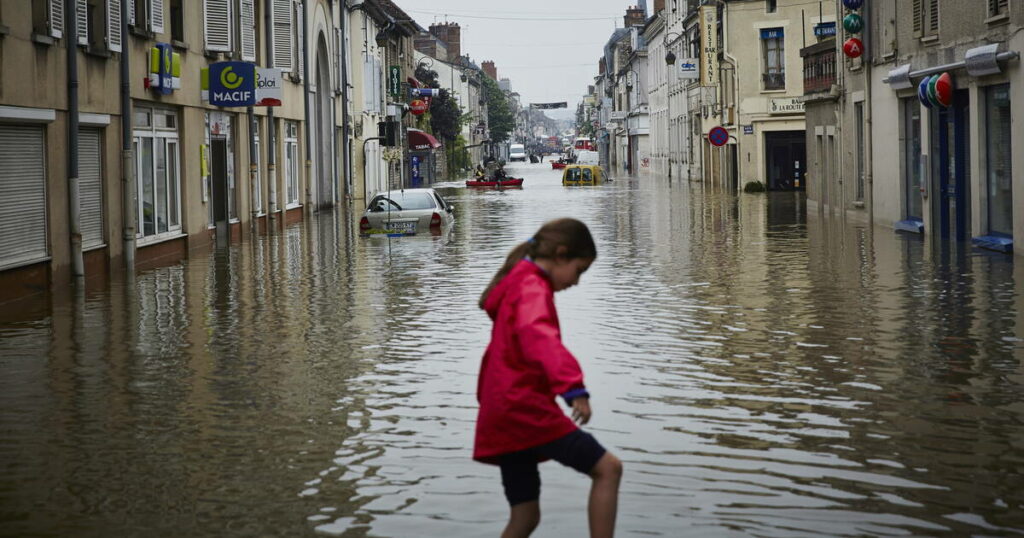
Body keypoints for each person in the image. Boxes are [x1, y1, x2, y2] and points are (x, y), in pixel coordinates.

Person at [475, 219, 623, 538]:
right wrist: (574, 389)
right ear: (560, 255)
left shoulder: (517, 281)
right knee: (609, 469)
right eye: (579, 270)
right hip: (524, 410)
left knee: (525, 516)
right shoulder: (531, 287)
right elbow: (538, 336)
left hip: (503, 412)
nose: (578, 281)